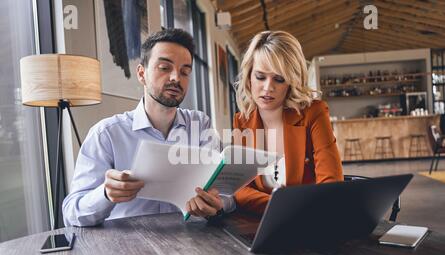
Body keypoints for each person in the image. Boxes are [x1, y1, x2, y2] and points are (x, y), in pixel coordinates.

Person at [63, 29, 234, 227]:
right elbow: (72, 214)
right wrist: (105, 193)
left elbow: (226, 194)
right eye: (164, 68)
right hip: (128, 248)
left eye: (185, 71)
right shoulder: (107, 134)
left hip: (192, 243)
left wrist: (218, 204)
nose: (176, 78)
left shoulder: (200, 124)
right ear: (142, 73)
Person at [232, 30, 343, 214]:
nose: (268, 88)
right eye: (260, 76)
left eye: (279, 79)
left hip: (311, 220)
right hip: (261, 225)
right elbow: (240, 189)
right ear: (249, 76)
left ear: (291, 81)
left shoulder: (314, 113)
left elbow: (331, 183)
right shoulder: (242, 121)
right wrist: (279, 207)